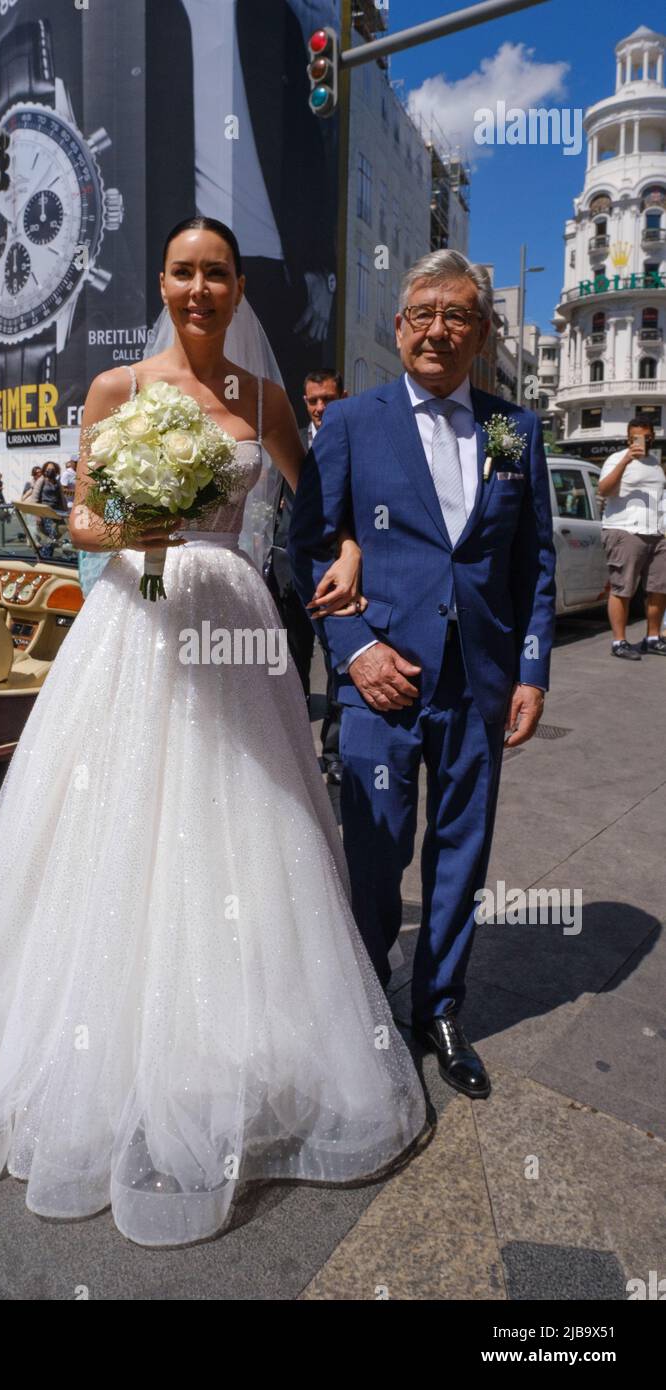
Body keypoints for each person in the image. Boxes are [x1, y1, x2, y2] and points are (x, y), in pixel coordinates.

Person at [0, 218, 426, 1248]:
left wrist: (346, 550)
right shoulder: (116, 392)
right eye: (183, 272)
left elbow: (314, 493)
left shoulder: (264, 401)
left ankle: (236, 1031)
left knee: (247, 816)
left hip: (235, 622)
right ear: (162, 281)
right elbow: (82, 522)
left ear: (239, 288)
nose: (200, 288)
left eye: (217, 274)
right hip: (135, 615)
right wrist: (141, 521)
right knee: (114, 811)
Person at [289, 248, 557, 1102]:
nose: (438, 329)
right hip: (382, 683)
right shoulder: (352, 424)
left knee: (462, 856)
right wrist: (357, 649)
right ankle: (366, 1006)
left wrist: (531, 670)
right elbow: (306, 551)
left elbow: (535, 561)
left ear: (482, 333)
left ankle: (440, 1008)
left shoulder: (516, 430)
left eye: (458, 315)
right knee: (372, 854)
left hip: (478, 684)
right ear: (399, 329)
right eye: (422, 315)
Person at [264, 369, 346, 784]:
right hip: (287, 574)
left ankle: (334, 755)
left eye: (327, 399)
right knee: (291, 667)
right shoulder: (290, 438)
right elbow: (273, 500)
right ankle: (296, 752)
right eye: (312, 401)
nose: (319, 408)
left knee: (339, 668)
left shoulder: (355, 438)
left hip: (337, 576)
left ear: (342, 397)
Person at [597, 419, 666, 659]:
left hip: (656, 533)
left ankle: (653, 638)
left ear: (652, 437)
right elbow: (603, 490)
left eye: (647, 437)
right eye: (636, 437)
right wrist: (626, 460)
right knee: (622, 588)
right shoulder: (616, 459)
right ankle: (619, 641)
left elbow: (660, 498)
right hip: (624, 530)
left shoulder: (655, 464)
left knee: (659, 588)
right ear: (628, 438)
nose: (642, 441)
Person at [30, 462, 66, 559]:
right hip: (44, 512)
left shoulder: (57, 482)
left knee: (57, 533)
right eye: (48, 469)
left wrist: (65, 511)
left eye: (53, 469)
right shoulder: (41, 481)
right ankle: (45, 557)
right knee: (49, 535)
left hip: (55, 512)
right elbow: (35, 498)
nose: (50, 471)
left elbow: (61, 498)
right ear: (44, 470)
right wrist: (37, 514)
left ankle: (44, 555)